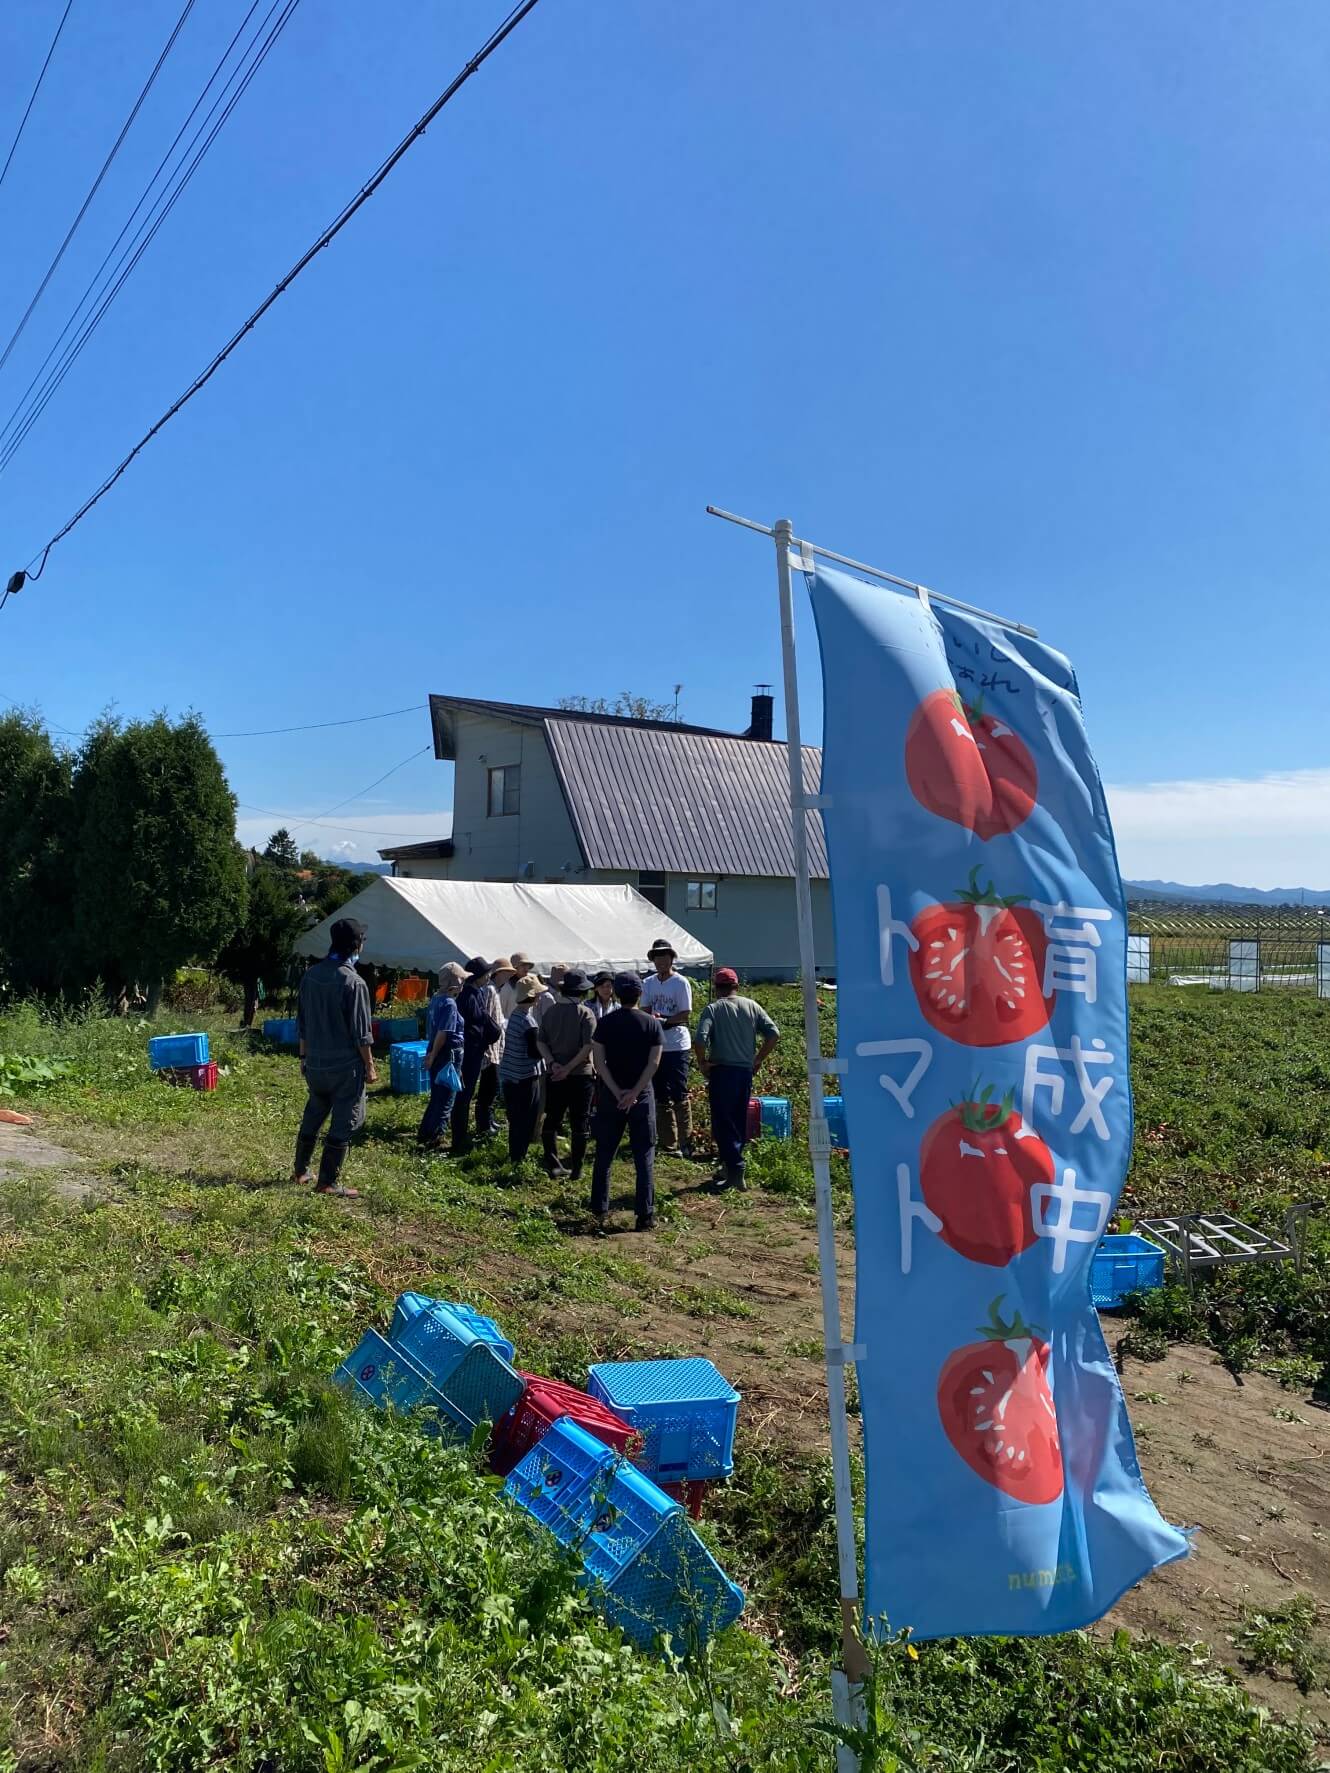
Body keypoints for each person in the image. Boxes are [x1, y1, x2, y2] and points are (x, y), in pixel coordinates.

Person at [291, 915, 377, 1198]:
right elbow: (362, 1033)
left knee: (314, 1113)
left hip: (315, 1063)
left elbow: (302, 1022)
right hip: (344, 1066)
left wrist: (303, 1057)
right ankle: (328, 1182)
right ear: (356, 944)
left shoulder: (311, 975)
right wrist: (370, 1066)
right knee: (344, 1122)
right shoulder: (354, 982)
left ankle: (301, 1171)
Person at [694, 967, 780, 1191]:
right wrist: (758, 1059)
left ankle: (736, 1168)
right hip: (744, 1072)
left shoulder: (713, 1009)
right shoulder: (752, 1006)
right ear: (736, 986)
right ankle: (730, 1168)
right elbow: (774, 1034)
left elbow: (700, 1039)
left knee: (723, 1122)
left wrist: (702, 1062)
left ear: (716, 988)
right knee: (738, 1119)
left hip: (722, 1071)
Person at [590, 972, 663, 1231]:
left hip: (612, 1096)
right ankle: (645, 1215)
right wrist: (634, 1092)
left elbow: (598, 1062)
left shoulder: (605, 1023)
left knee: (604, 1152)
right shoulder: (652, 1024)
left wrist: (617, 1091)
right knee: (644, 1154)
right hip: (641, 1096)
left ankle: (599, 1209)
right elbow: (654, 1063)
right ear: (640, 994)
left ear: (617, 993)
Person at [538, 968, 597, 1178]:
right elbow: (588, 1046)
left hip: (554, 1074)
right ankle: (577, 1169)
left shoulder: (550, 1012)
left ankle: (553, 1164)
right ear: (582, 992)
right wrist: (569, 1068)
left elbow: (541, 1041)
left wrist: (553, 1063)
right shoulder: (585, 1013)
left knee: (553, 1117)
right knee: (579, 1120)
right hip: (580, 1074)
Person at [640, 938, 693, 1158]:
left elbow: (685, 1012)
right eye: (657, 957)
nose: (661, 961)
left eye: (664, 956)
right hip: (657, 1043)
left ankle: (686, 1141)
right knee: (660, 1092)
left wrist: (666, 1020)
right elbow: (644, 1008)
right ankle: (668, 1143)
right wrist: (652, 1019)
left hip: (677, 1042)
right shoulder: (649, 983)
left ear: (671, 959)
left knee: (679, 1091)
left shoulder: (680, 983)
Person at [451, 958, 503, 1154]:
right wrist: (491, 1033)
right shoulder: (469, 996)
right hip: (469, 1053)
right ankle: (459, 1139)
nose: (489, 977)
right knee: (463, 1096)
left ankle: (461, 1135)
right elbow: (476, 1025)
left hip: (473, 1052)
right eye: (486, 974)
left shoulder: (474, 993)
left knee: (465, 1094)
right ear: (478, 977)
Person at [416, 961, 467, 1149]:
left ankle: (424, 1133)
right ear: (455, 983)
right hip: (447, 1055)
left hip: (436, 1052)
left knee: (437, 1096)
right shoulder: (449, 1003)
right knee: (446, 1098)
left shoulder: (436, 999)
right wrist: (434, 1054)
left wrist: (431, 1054)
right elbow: (443, 1032)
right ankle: (434, 1140)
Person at [499, 975, 546, 1162]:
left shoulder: (515, 1015)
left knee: (515, 1118)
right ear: (533, 996)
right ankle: (519, 1157)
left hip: (510, 1074)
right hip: (525, 1077)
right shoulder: (529, 1022)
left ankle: (515, 1154)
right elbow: (535, 1052)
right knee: (526, 1118)